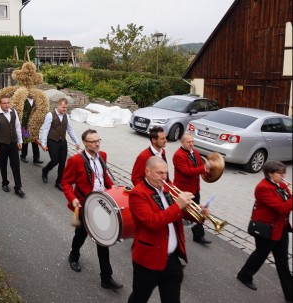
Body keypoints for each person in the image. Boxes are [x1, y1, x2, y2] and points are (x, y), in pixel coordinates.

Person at [128, 156, 209, 303]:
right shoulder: (138, 194)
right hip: (148, 260)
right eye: (159, 173)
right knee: (139, 298)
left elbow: (181, 213)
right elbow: (153, 222)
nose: (164, 177)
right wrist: (178, 205)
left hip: (171, 260)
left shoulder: (167, 188)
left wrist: (199, 214)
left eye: (166, 173)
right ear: (147, 171)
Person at [60, 129, 123, 290]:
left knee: (103, 241)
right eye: (94, 141)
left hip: (101, 204)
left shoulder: (103, 155)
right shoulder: (75, 161)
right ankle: (74, 256)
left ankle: (106, 278)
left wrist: (112, 186)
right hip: (84, 204)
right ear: (85, 144)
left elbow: (103, 177)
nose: (97, 144)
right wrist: (72, 199)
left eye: (98, 140)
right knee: (80, 234)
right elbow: (65, 183)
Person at [237, 161, 292, 302]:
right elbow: (282, 208)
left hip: (281, 228)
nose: (283, 176)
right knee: (260, 255)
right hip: (267, 229)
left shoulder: (282, 185)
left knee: (282, 261)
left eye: (283, 173)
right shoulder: (262, 188)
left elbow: (287, 203)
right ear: (270, 174)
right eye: (280, 173)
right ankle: (244, 275)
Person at [172, 133, 213, 244]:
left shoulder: (195, 152)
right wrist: (203, 168)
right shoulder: (178, 155)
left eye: (192, 141)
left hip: (194, 188)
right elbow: (187, 171)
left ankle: (198, 236)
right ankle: (172, 234)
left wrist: (208, 169)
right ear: (182, 142)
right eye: (188, 142)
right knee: (178, 213)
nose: (191, 144)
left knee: (197, 212)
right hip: (183, 190)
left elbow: (200, 166)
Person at [0, 96, 25, 198]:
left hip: (13, 144)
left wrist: (20, 141)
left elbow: (17, 127)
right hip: (2, 144)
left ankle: (18, 187)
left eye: (8, 103)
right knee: (3, 165)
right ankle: (5, 182)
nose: (7, 105)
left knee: (16, 165)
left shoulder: (13, 112)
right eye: (4, 103)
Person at [40, 98, 80, 191]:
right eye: (63, 107)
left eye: (66, 107)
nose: (65, 109)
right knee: (55, 161)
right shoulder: (50, 115)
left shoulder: (67, 116)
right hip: (52, 141)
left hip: (62, 142)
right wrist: (43, 143)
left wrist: (76, 141)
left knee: (62, 163)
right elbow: (45, 130)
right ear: (58, 105)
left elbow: (70, 130)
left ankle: (59, 182)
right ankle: (45, 170)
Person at [19, 94, 43, 165]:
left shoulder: (36, 101)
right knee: (26, 140)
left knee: (35, 141)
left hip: (34, 126)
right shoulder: (23, 100)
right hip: (25, 125)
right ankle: (23, 155)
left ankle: (36, 159)